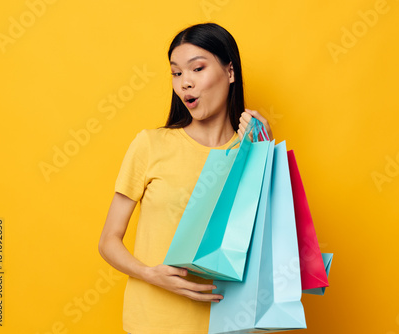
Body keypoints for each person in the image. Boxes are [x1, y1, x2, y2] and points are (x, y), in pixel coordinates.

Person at [98, 22, 273, 333]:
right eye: (177, 73)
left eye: (197, 69)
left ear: (230, 72)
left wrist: (263, 157)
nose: (185, 83)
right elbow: (109, 241)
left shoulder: (251, 152)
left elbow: (267, 244)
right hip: (153, 322)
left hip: (230, 321)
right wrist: (150, 273)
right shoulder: (150, 145)